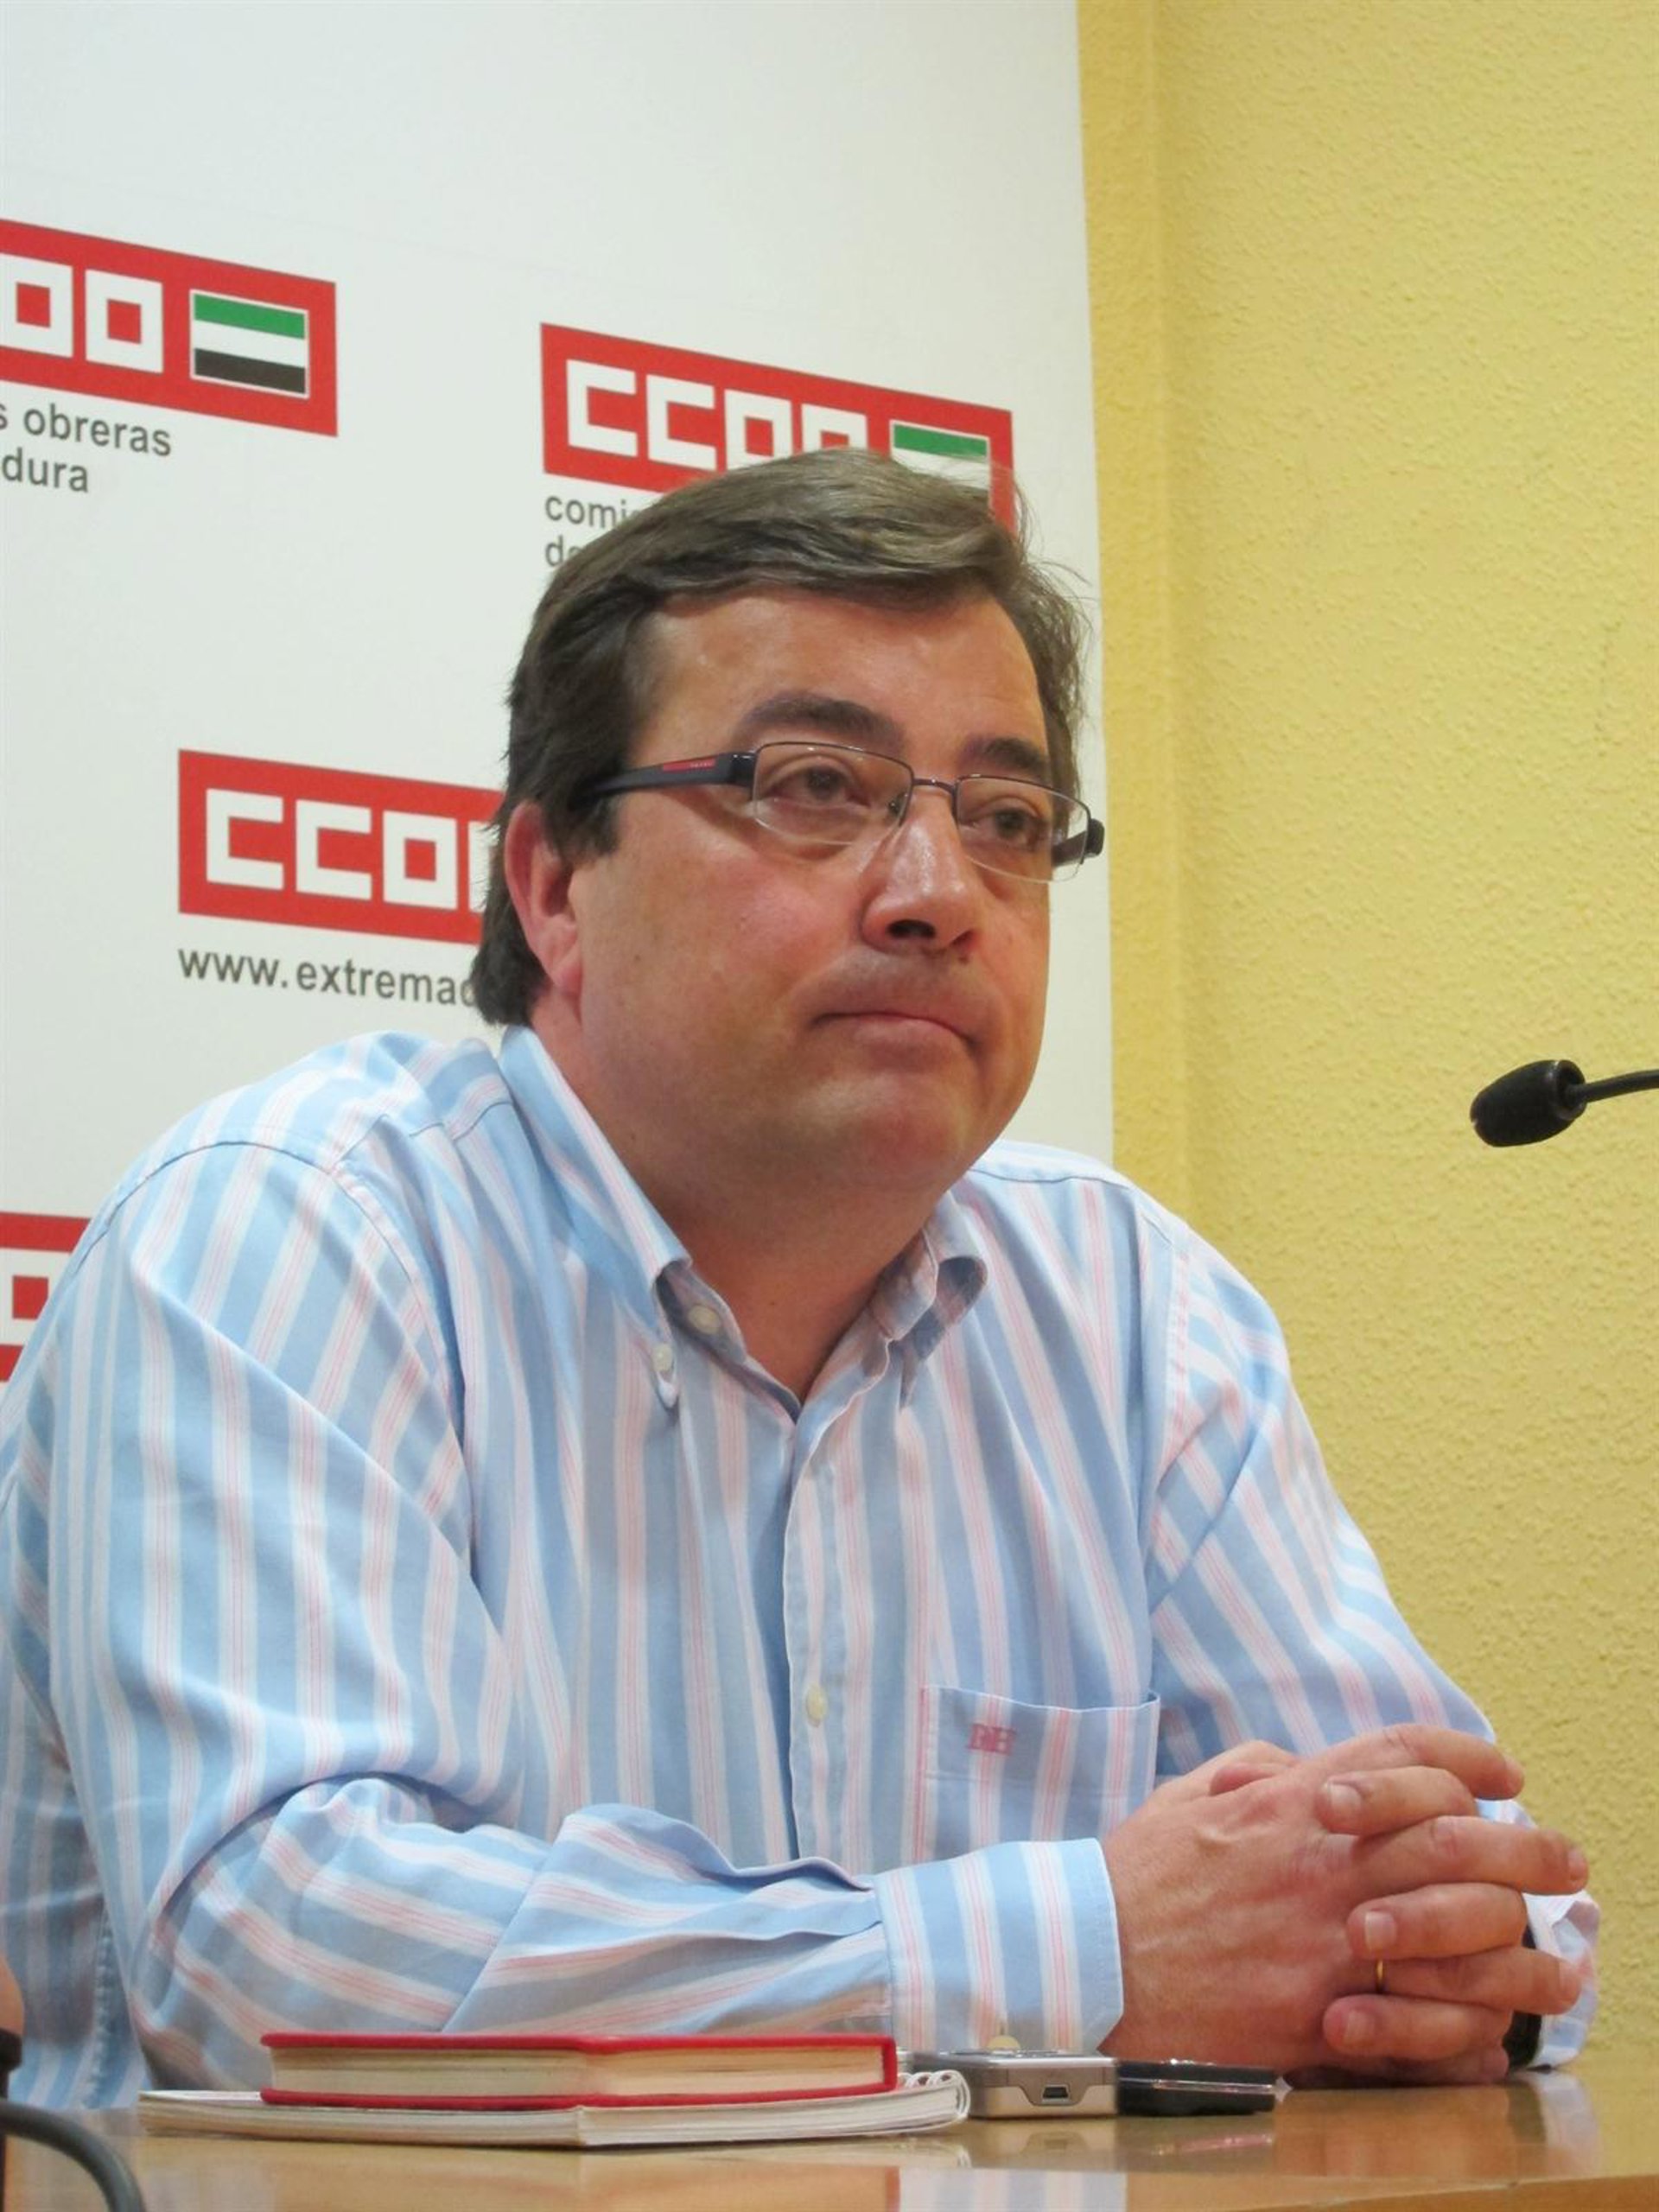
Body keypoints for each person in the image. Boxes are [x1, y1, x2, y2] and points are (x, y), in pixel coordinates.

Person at [0, 450, 1594, 2107]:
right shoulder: (286, 1233)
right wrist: (1085, 1948)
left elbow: (1497, 1897)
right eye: (815, 787)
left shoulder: (1136, 1308)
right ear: (554, 887)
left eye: (1006, 821)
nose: (938, 898)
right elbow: (281, 1962)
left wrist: (1440, 1963)